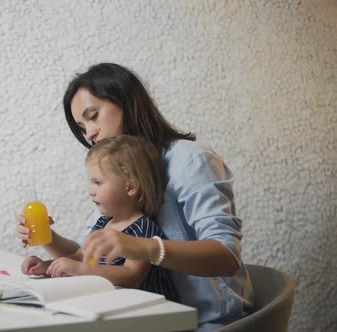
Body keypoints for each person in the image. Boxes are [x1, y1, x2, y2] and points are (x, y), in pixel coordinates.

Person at [18, 63, 253, 331]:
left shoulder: (190, 160)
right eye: (82, 127)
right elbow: (89, 255)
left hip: (208, 322)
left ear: (128, 103)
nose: (90, 134)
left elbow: (226, 255)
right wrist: (47, 239)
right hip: (143, 320)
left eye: (93, 116)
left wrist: (143, 247)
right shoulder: (115, 176)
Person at [21, 135, 180, 302]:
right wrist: (47, 266)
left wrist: (81, 269)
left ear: (130, 187)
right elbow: (81, 257)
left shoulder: (143, 228)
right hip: (111, 304)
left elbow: (132, 275)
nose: (91, 191)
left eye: (98, 182)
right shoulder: (103, 223)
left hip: (151, 313)